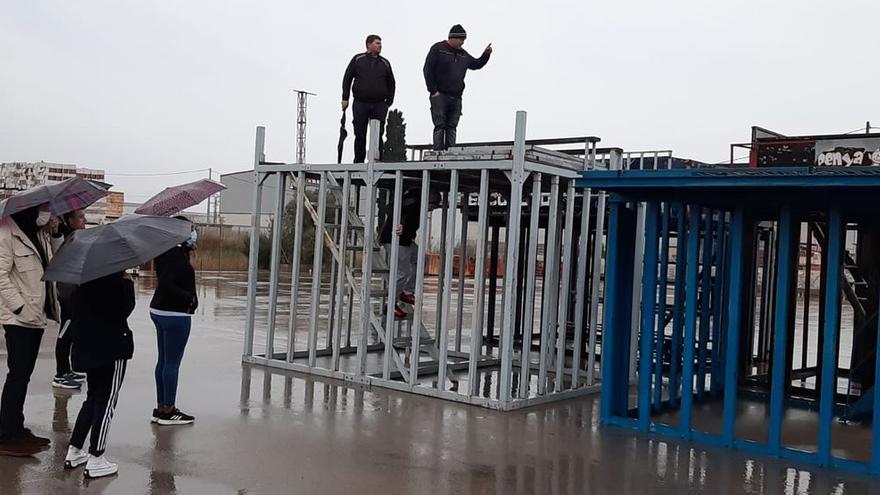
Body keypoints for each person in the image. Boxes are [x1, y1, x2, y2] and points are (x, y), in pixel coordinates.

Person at [0, 204, 59, 456]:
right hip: (19, 318)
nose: (48, 214)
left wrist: (55, 232)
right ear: (30, 209)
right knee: (17, 375)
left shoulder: (40, 233)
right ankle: (6, 435)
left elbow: (55, 262)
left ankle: (16, 427)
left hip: (36, 315)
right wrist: (20, 307)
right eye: (44, 210)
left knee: (23, 375)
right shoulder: (6, 233)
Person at [64, 270, 135, 478]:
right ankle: (96, 456)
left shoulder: (83, 281)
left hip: (88, 348)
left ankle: (75, 448)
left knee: (93, 397)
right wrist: (127, 285)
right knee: (107, 401)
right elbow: (123, 310)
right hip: (112, 349)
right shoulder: (116, 282)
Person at [149, 220, 197, 425]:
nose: (194, 233)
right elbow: (169, 284)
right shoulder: (174, 256)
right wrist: (189, 299)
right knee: (171, 363)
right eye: (191, 230)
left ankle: (162, 406)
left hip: (160, 310)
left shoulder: (166, 251)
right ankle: (168, 409)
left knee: (164, 361)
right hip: (174, 314)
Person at [423, 24, 492, 151]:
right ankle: (438, 153)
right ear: (453, 38)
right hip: (440, 95)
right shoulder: (438, 49)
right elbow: (427, 69)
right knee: (440, 125)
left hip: (456, 96)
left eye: (464, 40)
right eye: (461, 40)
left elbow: (476, 64)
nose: (463, 43)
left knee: (452, 126)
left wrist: (486, 55)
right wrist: (433, 90)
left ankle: (451, 153)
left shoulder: (463, 54)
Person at [379, 188, 441, 319]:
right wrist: (399, 223)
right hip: (394, 239)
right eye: (432, 206)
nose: (431, 210)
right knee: (402, 273)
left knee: (421, 259)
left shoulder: (418, 204)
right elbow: (392, 207)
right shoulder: (413, 200)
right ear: (428, 200)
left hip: (406, 240)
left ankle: (407, 291)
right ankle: (390, 305)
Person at [342, 34, 396, 163]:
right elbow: (347, 78)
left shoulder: (385, 63)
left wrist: (389, 101)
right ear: (369, 44)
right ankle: (359, 161)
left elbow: (392, 83)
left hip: (379, 104)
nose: (380, 46)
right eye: (377, 43)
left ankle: (377, 161)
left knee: (378, 135)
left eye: (380, 43)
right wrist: (345, 97)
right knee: (360, 133)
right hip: (361, 103)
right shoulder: (358, 59)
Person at [52, 209, 88, 389]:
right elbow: (59, 254)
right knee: (65, 333)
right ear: (70, 221)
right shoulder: (63, 237)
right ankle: (61, 373)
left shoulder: (76, 237)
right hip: (68, 293)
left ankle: (67, 369)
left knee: (72, 332)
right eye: (80, 217)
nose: (85, 220)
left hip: (75, 291)